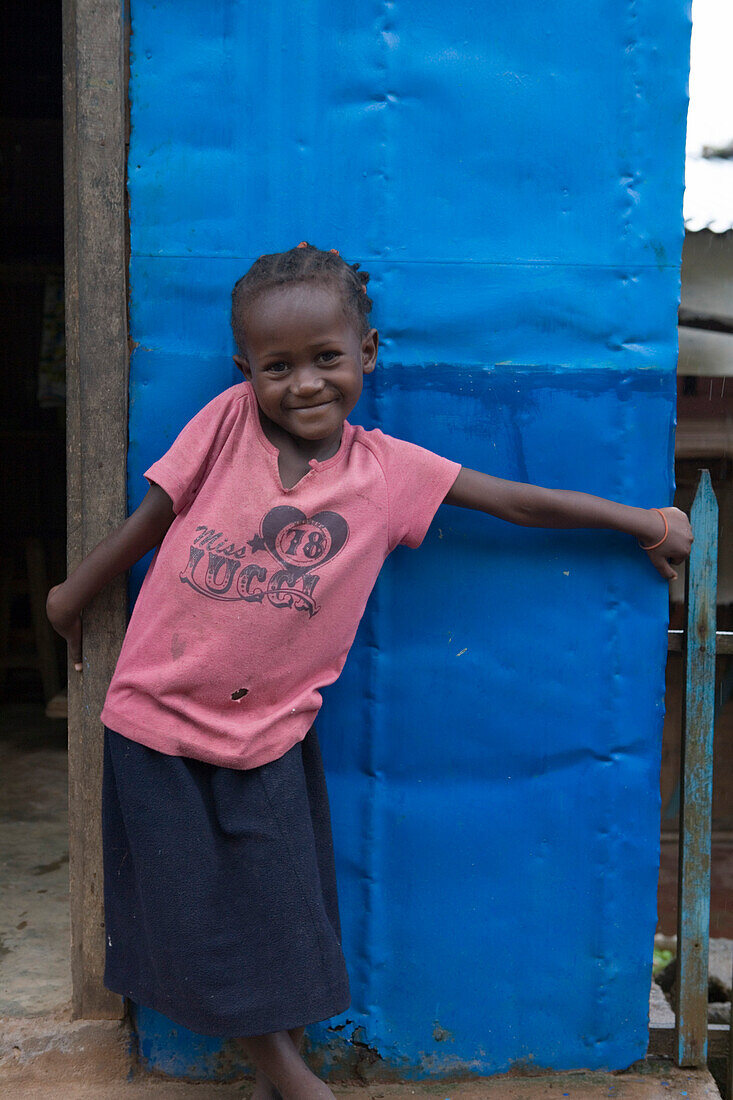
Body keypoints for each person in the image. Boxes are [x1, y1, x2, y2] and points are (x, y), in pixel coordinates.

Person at [47, 242, 693, 1100]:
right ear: (245, 371)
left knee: (284, 911)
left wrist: (643, 523)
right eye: (277, 367)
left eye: (326, 360)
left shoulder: (387, 473)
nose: (304, 384)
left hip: (266, 731)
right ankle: (282, 1072)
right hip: (153, 719)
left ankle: (285, 1062)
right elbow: (150, 522)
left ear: (368, 355)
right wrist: (72, 595)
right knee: (191, 910)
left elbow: (514, 501)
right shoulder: (226, 423)